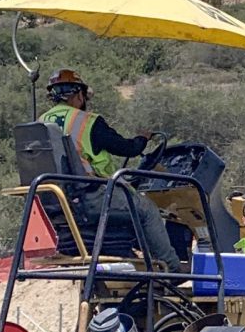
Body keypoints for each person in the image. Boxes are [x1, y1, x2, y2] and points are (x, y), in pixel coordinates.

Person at [41, 69, 180, 268]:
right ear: (79, 94)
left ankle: (140, 262)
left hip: (57, 200)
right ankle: (171, 268)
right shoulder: (86, 121)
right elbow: (127, 148)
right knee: (147, 210)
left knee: (131, 206)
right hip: (92, 197)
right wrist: (142, 138)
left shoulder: (40, 123)